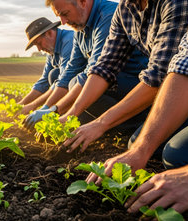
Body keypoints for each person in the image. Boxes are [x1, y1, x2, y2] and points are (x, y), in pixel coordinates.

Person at [88, 0, 188, 214]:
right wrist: (140, 150)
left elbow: (159, 73)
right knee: (157, 148)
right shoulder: (125, 9)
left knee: (180, 156)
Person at [62, 0, 188, 153]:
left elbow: (159, 76)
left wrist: (101, 123)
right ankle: (145, 121)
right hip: (165, 89)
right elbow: (106, 66)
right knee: (140, 139)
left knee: (172, 153)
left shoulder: (175, 3)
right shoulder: (125, 9)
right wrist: (70, 114)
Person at [24, 0, 148, 130]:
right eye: (59, 16)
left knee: (79, 85)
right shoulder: (79, 29)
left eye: (65, 14)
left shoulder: (108, 16)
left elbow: (99, 70)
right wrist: (47, 108)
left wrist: (57, 110)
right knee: (71, 82)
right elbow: (72, 70)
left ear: (83, 2)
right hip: (114, 81)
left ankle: (131, 124)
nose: (63, 22)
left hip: (138, 82)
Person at [19, 17, 74, 114]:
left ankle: (67, 112)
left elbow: (64, 81)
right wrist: (21, 104)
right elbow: (43, 82)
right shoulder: (51, 50)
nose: (39, 49)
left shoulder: (69, 42)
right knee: (52, 75)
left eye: (39, 43)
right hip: (70, 86)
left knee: (55, 74)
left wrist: (38, 107)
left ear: (49, 33)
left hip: (88, 87)